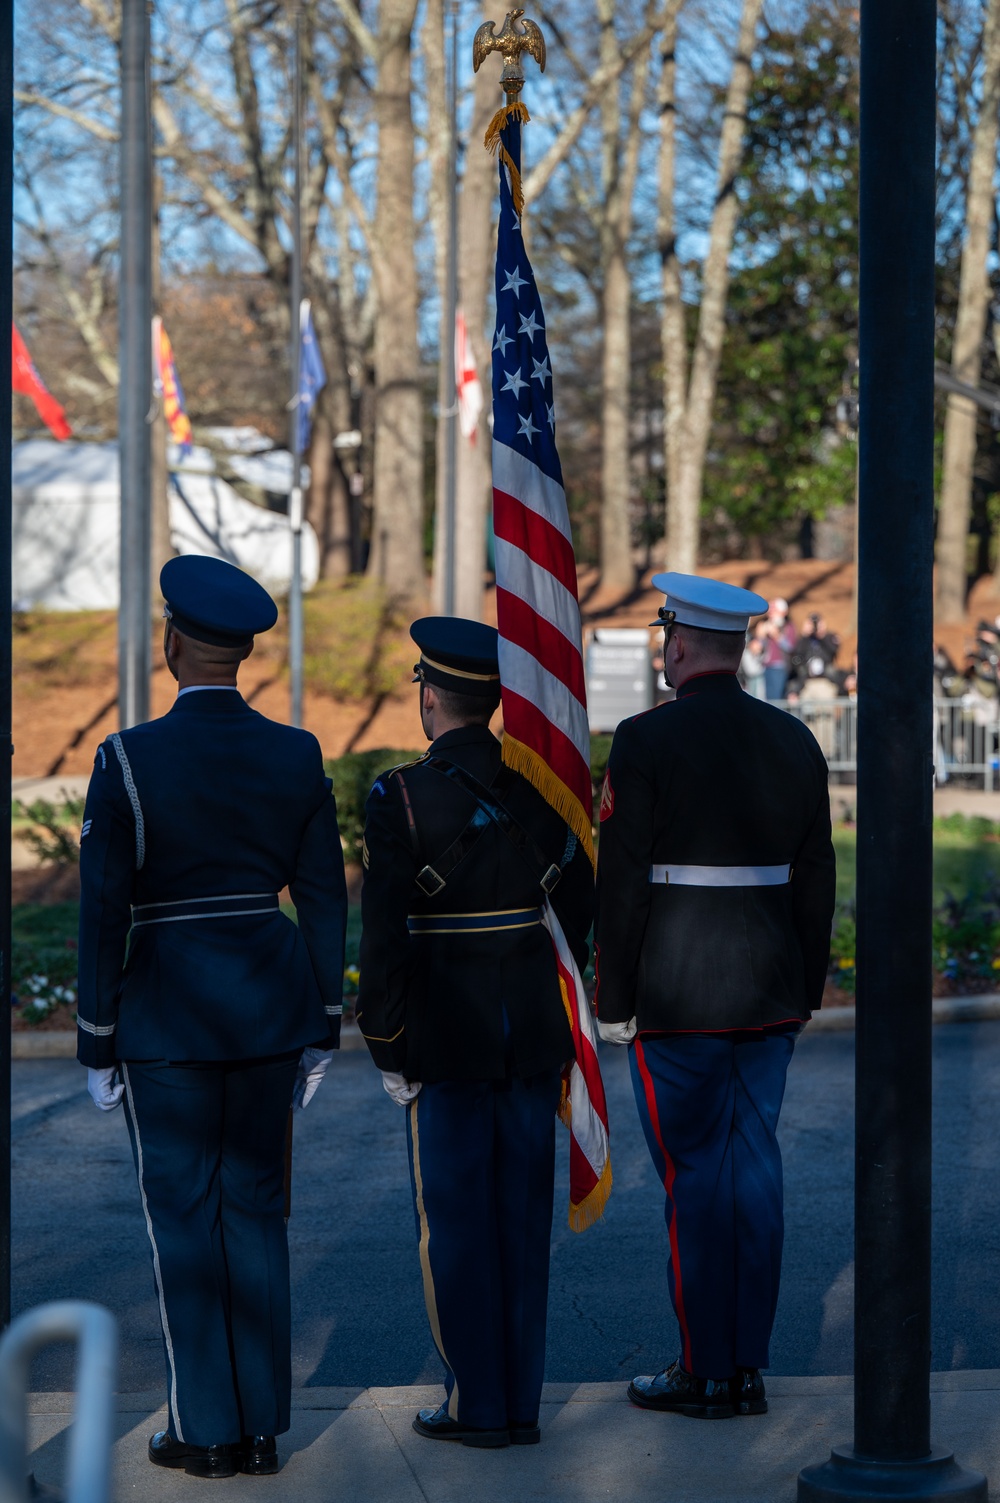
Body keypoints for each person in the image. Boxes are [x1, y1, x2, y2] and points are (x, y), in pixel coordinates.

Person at [76, 554, 348, 1479]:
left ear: (173, 644)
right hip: (271, 1008)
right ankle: (263, 1425)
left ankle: (206, 1427)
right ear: (241, 654)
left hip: (166, 1015)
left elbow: (103, 908)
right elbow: (320, 894)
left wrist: (95, 1034)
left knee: (184, 1220)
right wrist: (324, 1014)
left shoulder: (126, 758)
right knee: (259, 1214)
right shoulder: (297, 751)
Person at [594, 572, 835, 1422]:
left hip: (679, 995)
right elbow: (816, 881)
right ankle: (748, 1364)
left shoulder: (645, 740)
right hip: (768, 991)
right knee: (754, 1174)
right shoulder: (793, 738)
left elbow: (621, 887)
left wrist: (614, 998)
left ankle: (706, 1370)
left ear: (680, 643)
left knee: (696, 1180)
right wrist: (803, 987)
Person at [357, 617, 593, 1449]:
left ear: (430, 695)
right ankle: (519, 1402)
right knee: (521, 1222)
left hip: (445, 1037)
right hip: (531, 1032)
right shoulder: (543, 785)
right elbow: (579, 904)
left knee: (456, 1224)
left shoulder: (400, 794)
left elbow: (382, 937)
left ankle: (475, 1404)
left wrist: (387, 1042)